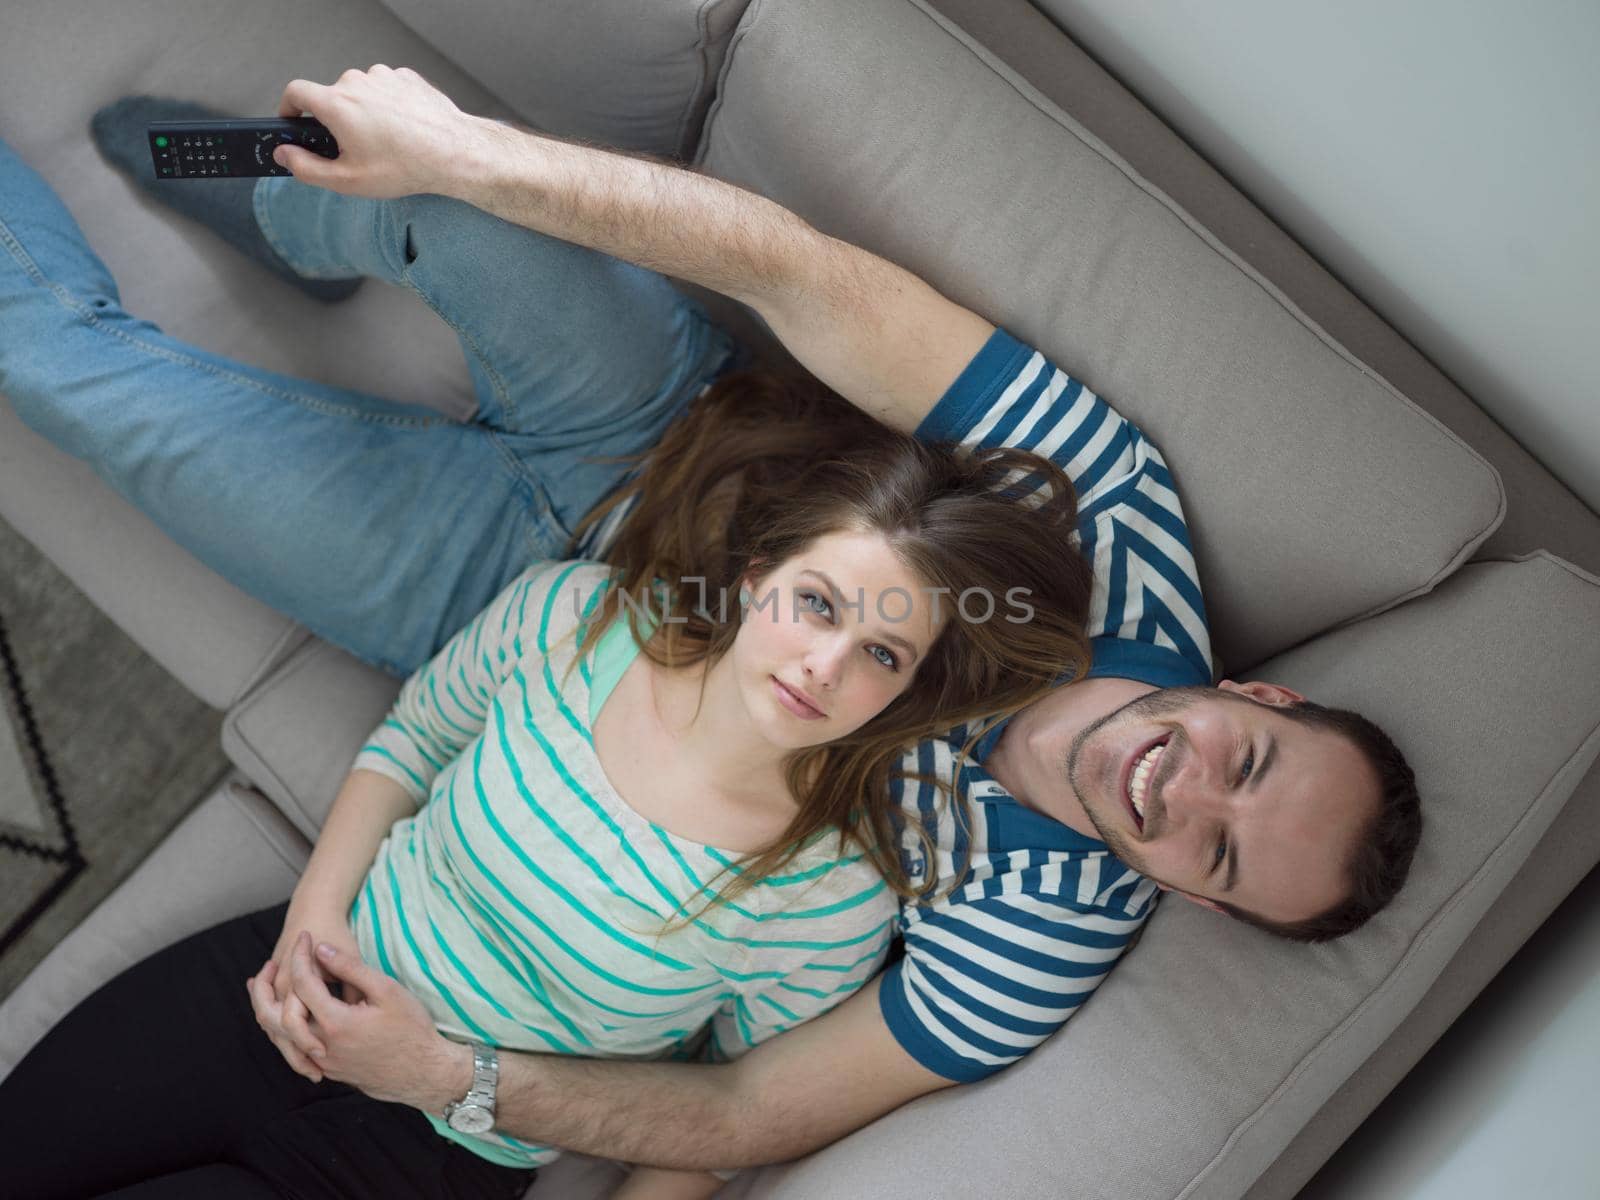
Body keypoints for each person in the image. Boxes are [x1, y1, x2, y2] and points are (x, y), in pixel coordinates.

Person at [0, 66, 1421, 1191]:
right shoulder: (1114, 525)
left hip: (494, 610)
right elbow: (807, 277)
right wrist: (457, 150)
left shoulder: (1024, 954)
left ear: (1198, 903)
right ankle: (265, 193)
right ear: (1261, 697)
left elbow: (746, 1106)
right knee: (417, 187)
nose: (1183, 794)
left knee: (80, 392)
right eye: (1243, 762)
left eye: (1219, 856)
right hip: (674, 437)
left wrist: (456, 1081)